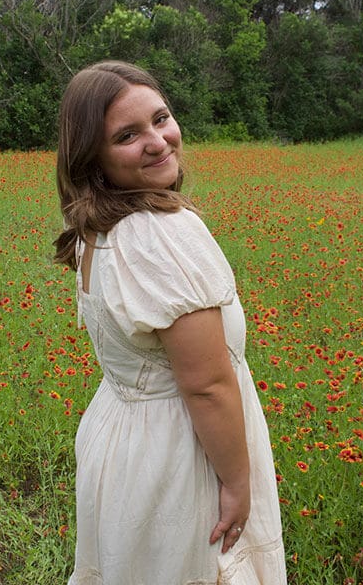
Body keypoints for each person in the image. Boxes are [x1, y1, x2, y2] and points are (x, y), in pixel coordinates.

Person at [54, 60, 287, 585]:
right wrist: (235, 482)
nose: (158, 141)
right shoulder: (163, 234)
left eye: (161, 118)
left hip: (123, 441)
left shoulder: (97, 229)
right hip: (179, 455)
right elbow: (206, 386)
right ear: (93, 158)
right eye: (128, 135)